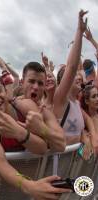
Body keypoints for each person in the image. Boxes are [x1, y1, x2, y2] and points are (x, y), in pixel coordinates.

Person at [54, 10, 98, 151]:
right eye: (73, 77)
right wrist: (79, 31)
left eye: (79, 76)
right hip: (58, 165)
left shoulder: (77, 103)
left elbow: (89, 122)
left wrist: (86, 137)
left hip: (74, 164)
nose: (78, 77)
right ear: (64, 82)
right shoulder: (60, 99)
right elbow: (72, 67)